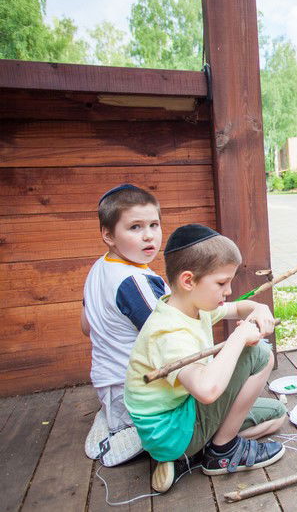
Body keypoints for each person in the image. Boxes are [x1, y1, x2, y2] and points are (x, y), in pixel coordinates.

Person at [124, 224, 286, 492]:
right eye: (222, 283)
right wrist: (238, 338)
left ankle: (190, 456)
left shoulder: (190, 306)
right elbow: (207, 391)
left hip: (177, 424)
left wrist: (259, 307)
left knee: (277, 415)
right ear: (188, 280)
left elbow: (237, 307)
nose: (229, 290)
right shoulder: (169, 332)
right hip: (172, 429)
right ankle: (221, 452)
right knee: (259, 353)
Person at [82, 184, 167, 467]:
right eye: (135, 227)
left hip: (108, 386)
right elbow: (167, 338)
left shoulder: (100, 268)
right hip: (139, 394)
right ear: (108, 235)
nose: (148, 235)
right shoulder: (134, 281)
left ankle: (112, 420)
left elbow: (86, 326)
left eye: (154, 225)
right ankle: (138, 432)